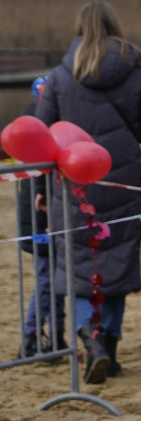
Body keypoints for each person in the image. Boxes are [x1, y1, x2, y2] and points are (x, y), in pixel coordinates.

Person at [34, 0, 141, 384]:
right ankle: (111, 349)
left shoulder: (58, 75)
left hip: (74, 184)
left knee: (79, 267)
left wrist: (40, 189)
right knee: (118, 263)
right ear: (114, 25)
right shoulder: (136, 71)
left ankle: (91, 340)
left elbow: (42, 136)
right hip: (122, 180)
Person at [16, 76, 66, 359]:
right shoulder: (41, 125)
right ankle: (32, 335)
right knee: (49, 277)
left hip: (40, 210)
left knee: (56, 276)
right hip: (40, 212)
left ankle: (57, 336)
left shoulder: (32, 122)